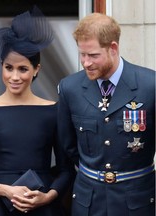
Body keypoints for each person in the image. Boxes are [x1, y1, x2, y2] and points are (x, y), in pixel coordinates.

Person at [0, 6, 75, 216]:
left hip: (41, 206)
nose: (15, 77)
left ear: (36, 70)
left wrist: (48, 196)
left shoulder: (53, 111)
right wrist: (5, 190)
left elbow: (66, 170)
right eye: (9, 68)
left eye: (23, 69)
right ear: (1, 66)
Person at [57, 12, 155, 216]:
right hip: (89, 201)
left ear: (113, 48)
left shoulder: (150, 85)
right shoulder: (70, 88)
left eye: (93, 55)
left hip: (137, 201)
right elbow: (68, 145)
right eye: (82, 54)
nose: (86, 63)